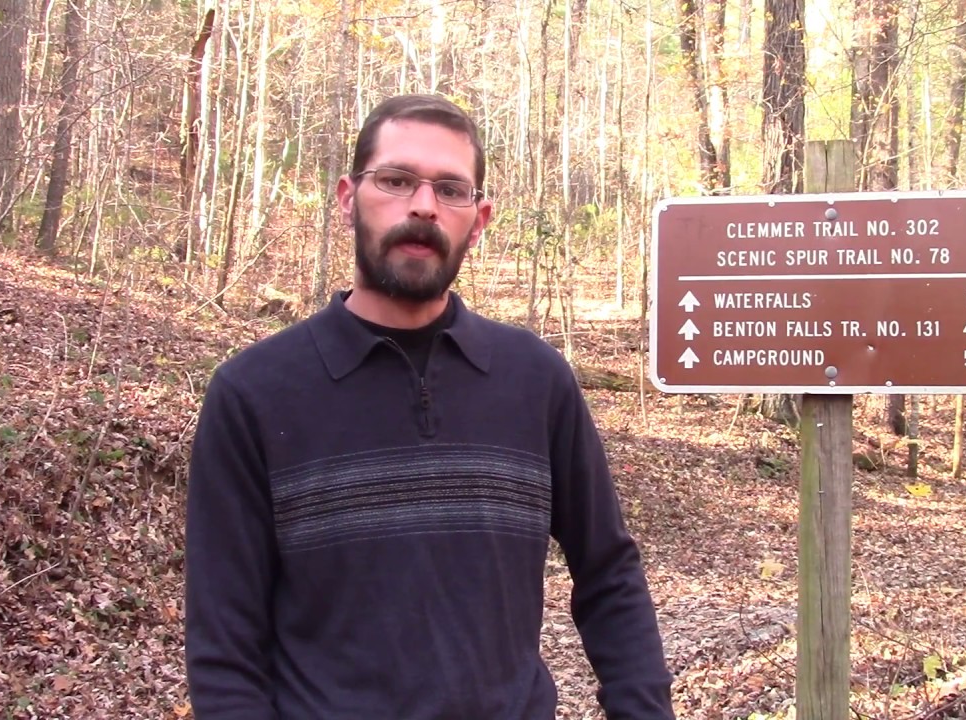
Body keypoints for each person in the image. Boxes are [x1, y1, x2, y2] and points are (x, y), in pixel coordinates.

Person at [184, 93, 675, 719]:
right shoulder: (254, 393)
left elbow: (609, 574)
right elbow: (225, 643)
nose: (423, 205)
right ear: (347, 198)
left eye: (450, 189)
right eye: (395, 180)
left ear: (479, 218)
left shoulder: (535, 380)